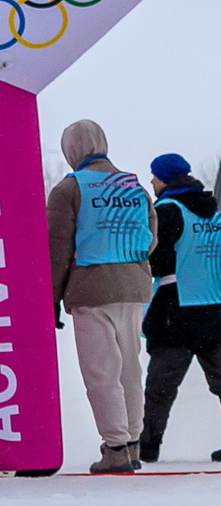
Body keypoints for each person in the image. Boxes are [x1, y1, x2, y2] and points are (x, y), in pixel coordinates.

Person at [48, 120, 154, 473]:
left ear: (71, 150)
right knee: (129, 368)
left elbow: (57, 249)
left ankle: (115, 448)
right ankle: (133, 444)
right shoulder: (133, 186)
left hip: (91, 289)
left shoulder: (69, 190)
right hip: (135, 287)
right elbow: (150, 238)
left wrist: (51, 297)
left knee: (101, 373)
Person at [139, 153, 221, 463]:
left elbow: (158, 261)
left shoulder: (166, 210)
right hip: (214, 305)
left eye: (155, 176)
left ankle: (147, 446)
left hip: (176, 309)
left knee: (161, 384)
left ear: (166, 178)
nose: (152, 181)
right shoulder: (213, 211)